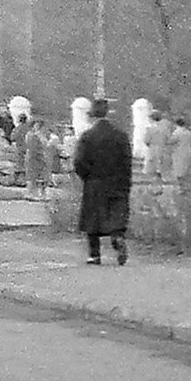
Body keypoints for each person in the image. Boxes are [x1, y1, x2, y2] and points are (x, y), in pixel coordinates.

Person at [73, 97, 133, 265]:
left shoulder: (87, 136)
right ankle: (117, 237)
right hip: (116, 182)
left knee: (93, 218)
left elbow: (79, 161)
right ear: (108, 114)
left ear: (93, 116)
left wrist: (87, 176)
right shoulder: (120, 135)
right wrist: (125, 181)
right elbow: (127, 160)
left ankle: (94, 254)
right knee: (116, 214)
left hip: (95, 182)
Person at [23, 116, 51, 201]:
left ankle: (40, 193)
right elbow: (34, 148)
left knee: (41, 176)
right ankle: (30, 193)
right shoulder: (31, 135)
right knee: (32, 176)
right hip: (34, 157)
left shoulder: (40, 135)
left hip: (39, 157)